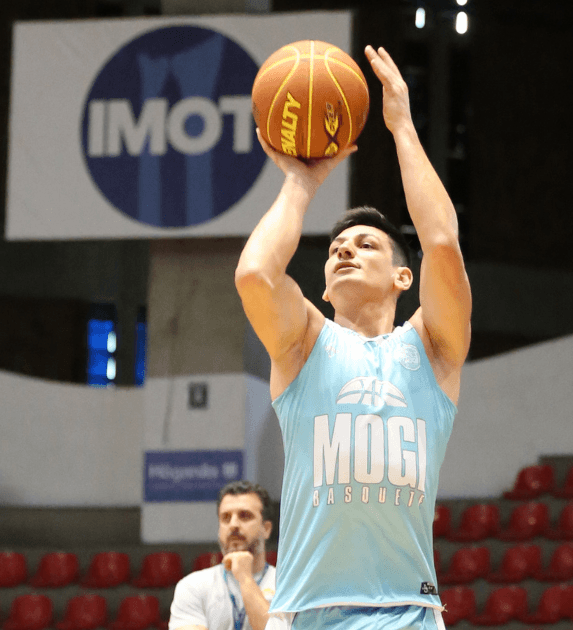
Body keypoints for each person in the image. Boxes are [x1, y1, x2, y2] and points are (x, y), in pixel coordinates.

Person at [235, 45, 471, 630]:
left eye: (366, 244)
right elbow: (255, 275)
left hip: (409, 613)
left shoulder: (433, 347)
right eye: (337, 247)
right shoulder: (304, 345)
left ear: (402, 277)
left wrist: (402, 128)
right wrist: (299, 179)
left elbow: (441, 243)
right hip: (307, 614)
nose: (344, 249)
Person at [170, 481, 276, 630]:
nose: (233, 524)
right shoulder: (193, 586)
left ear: (266, 529)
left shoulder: (287, 588)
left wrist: (244, 577)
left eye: (244, 516)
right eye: (226, 517)